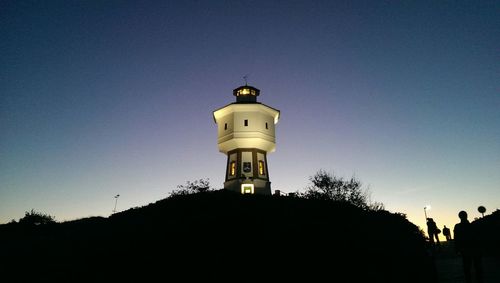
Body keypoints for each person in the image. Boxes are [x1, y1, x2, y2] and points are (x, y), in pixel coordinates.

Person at [454, 211, 483, 283]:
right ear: (466, 215)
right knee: (477, 266)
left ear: (459, 216)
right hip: (474, 248)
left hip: (465, 249)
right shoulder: (473, 225)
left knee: (467, 267)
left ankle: (469, 280)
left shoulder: (457, 226)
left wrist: (457, 249)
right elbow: (478, 237)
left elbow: (456, 238)